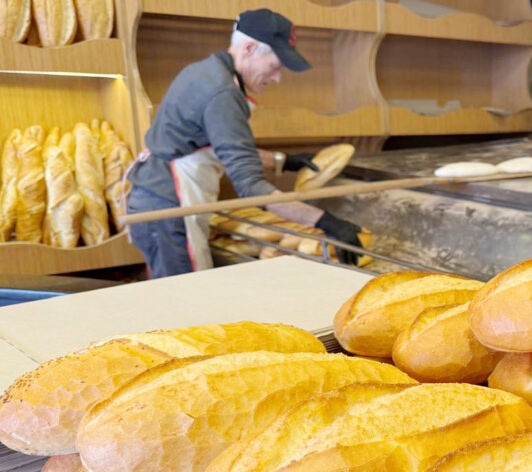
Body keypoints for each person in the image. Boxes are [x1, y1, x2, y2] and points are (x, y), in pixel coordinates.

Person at [125, 9, 362, 277]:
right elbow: (252, 189)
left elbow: (217, 148)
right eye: (274, 67)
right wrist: (325, 222)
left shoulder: (207, 72)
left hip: (155, 200)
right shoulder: (223, 94)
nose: (277, 79)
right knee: (186, 303)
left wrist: (284, 161)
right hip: (170, 208)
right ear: (249, 48)